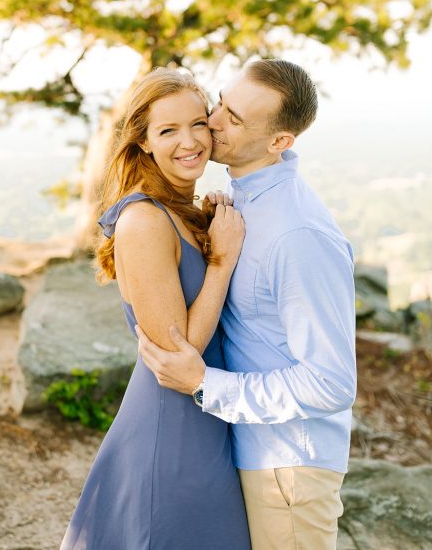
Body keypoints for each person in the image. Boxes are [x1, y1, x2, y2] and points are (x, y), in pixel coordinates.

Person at [136, 59, 357, 550]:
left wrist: (204, 384)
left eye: (234, 120)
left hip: (288, 467)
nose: (211, 123)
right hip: (251, 450)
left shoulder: (298, 235)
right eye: (221, 102)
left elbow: (332, 381)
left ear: (280, 142)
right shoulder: (242, 198)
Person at [61, 68, 251, 550]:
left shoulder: (181, 210)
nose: (189, 141)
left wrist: (209, 229)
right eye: (167, 130)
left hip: (212, 415)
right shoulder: (143, 220)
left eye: (197, 124)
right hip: (173, 427)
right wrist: (222, 261)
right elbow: (178, 353)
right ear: (143, 142)